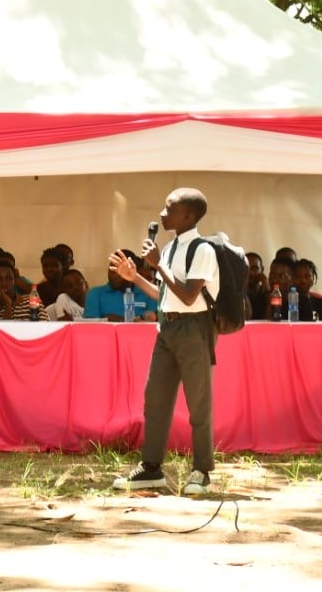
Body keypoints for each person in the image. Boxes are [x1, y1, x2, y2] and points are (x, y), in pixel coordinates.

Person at [111, 187, 219, 496]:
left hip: (195, 328)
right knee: (155, 399)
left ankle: (201, 470)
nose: (162, 214)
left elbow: (188, 295)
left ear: (189, 216)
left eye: (169, 209)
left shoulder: (203, 250)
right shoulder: (170, 249)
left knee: (199, 403)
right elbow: (166, 296)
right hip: (167, 327)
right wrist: (135, 277)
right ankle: (151, 467)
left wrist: (158, 264)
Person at [83, 251, 158, 322]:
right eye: (112, 269)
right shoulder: (95, 294)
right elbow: (91, 325)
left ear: (134, 270)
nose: (114, 275)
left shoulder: (149, 293)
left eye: (119, 270)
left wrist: (121, 320)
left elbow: (152, 321)